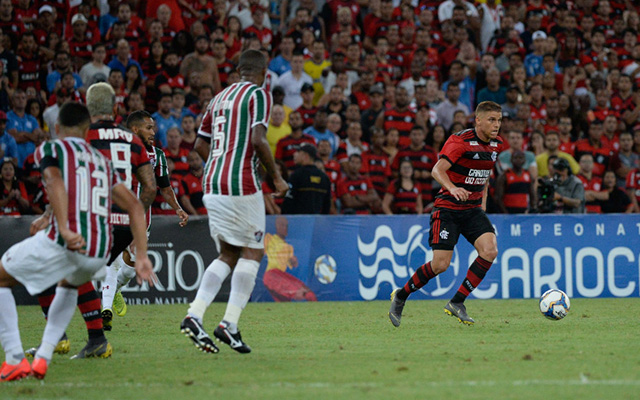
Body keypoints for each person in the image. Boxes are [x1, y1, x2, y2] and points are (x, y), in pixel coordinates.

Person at [0, 102, 155, 381]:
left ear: (56, 128)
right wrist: (141, 255)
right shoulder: (102, 161)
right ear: (87, 132)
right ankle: (44, 357)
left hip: (68, 240)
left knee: (1, 277)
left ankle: (13, 359)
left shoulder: (52, 148)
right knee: (69, 284)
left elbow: (55, 181)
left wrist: (62, 226)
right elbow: (134, 206)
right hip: (99, 250)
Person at [181, 49, 288, 354]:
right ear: (264, 72)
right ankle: (228, 323)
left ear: (238, 70)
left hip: (212, 182)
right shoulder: (259, 95)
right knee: (253, 250)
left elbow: (199, 144)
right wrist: (276, 177)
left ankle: (196, 314)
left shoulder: (219, 98)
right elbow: (257, 140)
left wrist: (221, 161)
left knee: (229, 252)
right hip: (240, 183)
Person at [389, 101, 505, 327]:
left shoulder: (496, 145)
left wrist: (482, 205)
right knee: (441, 265)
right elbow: (437, 170)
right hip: (448, 209)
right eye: (491, 119)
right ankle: (401, 296)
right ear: (478, 120)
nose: (497, 125)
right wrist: (453, 188)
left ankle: (457, 302)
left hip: (472, 210)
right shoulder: (459, 141)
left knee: (490, 251)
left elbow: (485, 176)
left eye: (499, 120)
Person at [101, 110, 189, 330]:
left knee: (130, 268)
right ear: (135, 129)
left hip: (143, 221)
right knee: (111, 261)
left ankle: (115, 291)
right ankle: (105, 310)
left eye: (153, 127)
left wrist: (178, 208)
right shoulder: (116, 150)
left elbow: (165, 187)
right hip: (115, 214)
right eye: (149, 128)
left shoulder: (157, 156)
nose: (154, 131)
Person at [263, 216, 317, 302]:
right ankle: (318, 314)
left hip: (280, 276)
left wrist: (293, 261)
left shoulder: (289, 247)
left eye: (286, 226)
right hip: (272, 275)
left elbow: (293, 264)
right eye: (282, 225)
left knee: (286, 304)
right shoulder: (269, 238)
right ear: (276, 226)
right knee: (308, 294)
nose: (285, 228)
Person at [281, 143, 331, 214]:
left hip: (298, 221)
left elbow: (288, 200)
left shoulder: (297, 175)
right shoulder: (324, 177)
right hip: (316, 222)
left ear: (305, 156)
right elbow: (327, 204)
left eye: (298, 152)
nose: (294, 154)